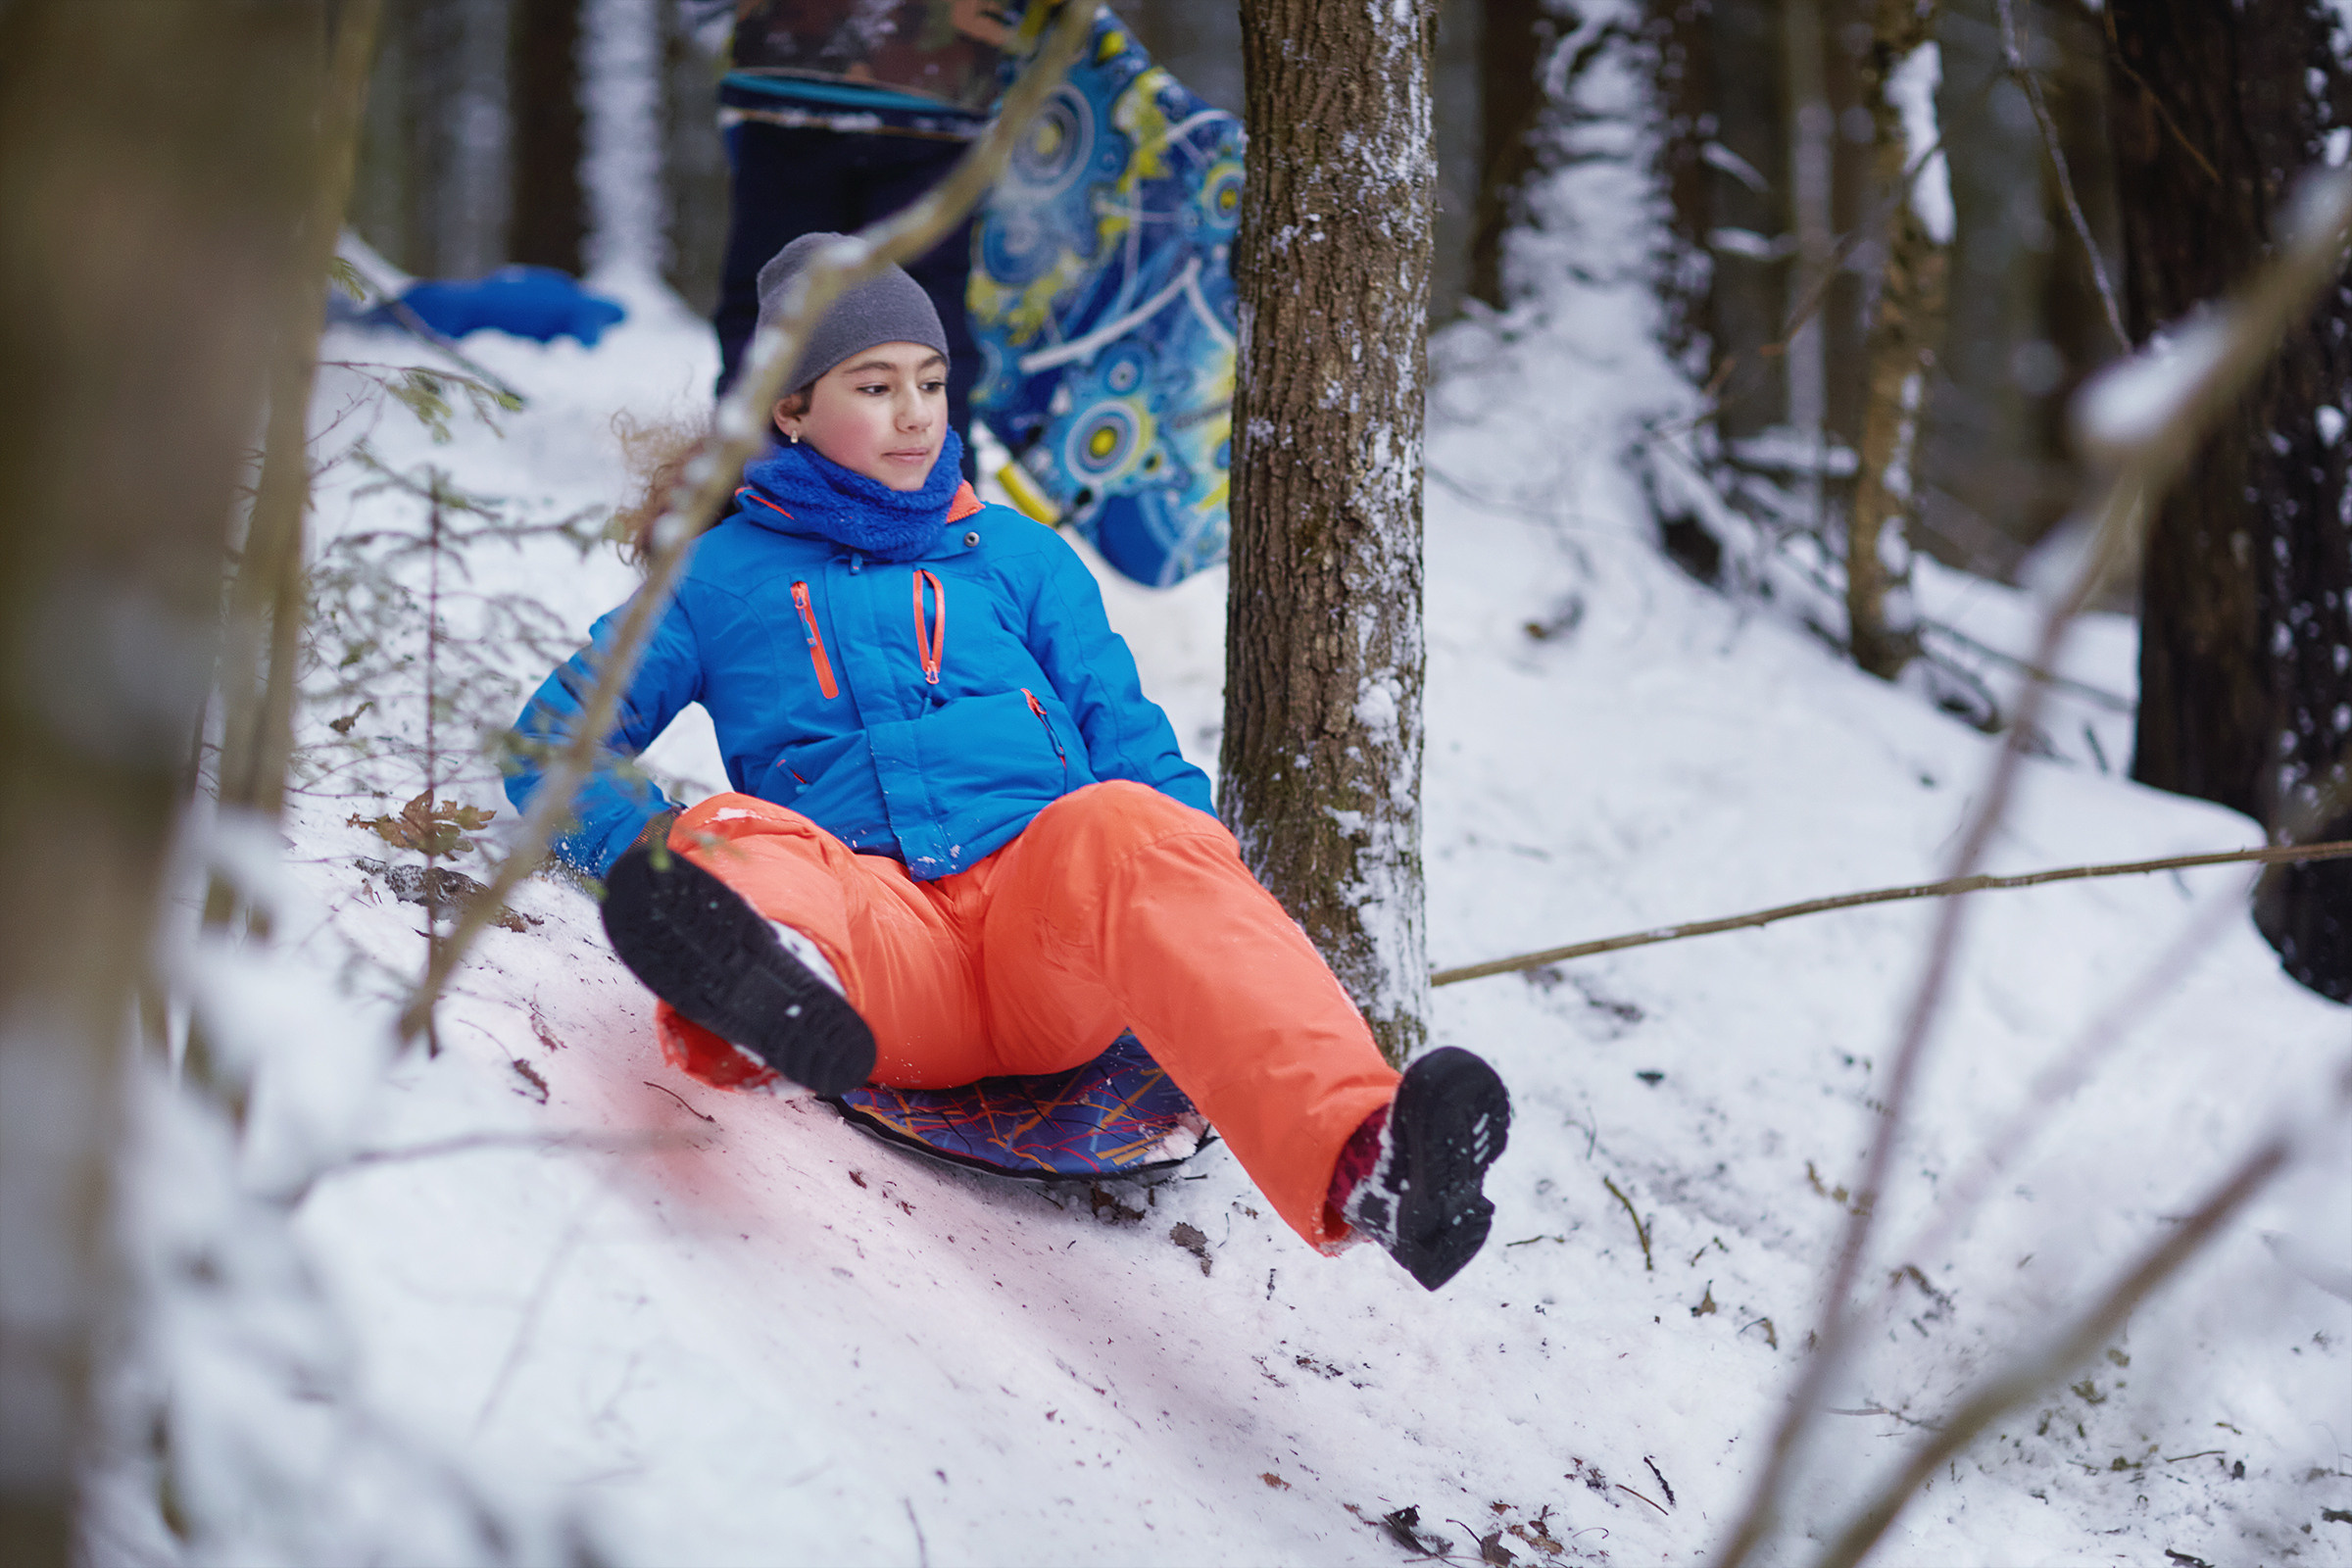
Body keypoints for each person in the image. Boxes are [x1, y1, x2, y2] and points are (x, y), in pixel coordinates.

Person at [510, 235, 1510, 1290]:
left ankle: (1369, 1161)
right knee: (735, 830)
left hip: (1048, 947)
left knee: (1126, 821)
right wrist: (637, 849)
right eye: (876, 385)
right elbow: (553, 741)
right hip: (877, 963)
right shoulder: (718, 578)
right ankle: (763, 989)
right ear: (789, 408)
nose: (915, 413)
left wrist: (1210, 928)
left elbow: (1135, 754)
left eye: (932, 384)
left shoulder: (1020, 556)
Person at [711, 0, 1015, 475]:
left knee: (773, 308)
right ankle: (936, 510)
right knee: (928, 315)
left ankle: (760, 497)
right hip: (939, 74)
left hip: (788, 62)